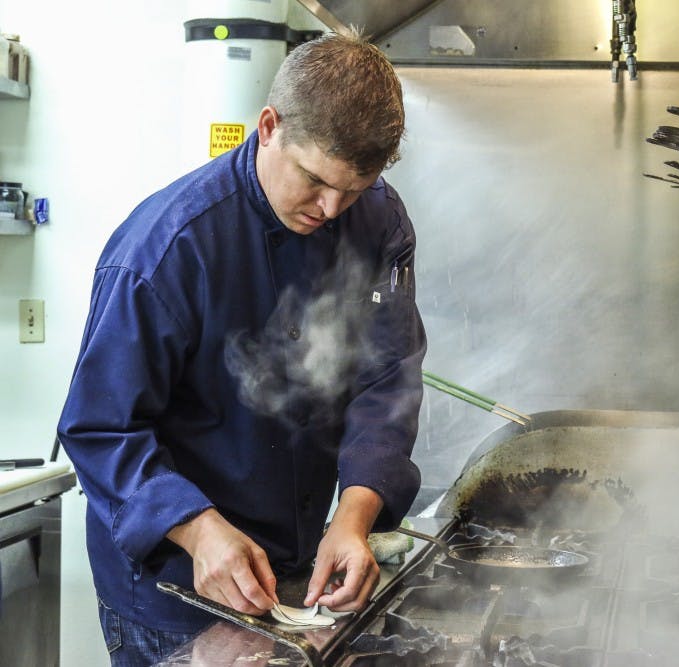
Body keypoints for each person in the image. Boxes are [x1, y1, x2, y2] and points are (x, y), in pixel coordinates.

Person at [57, 29, 425, 666]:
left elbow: (387, 375)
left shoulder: (379, 220)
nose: (331, 208)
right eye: (315, 180)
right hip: (175, 587)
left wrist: (355, 514)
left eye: (354, 188)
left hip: (301, 565)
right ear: (269, 126)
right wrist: (200, 530)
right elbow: (100, 429)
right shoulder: (166, 249)